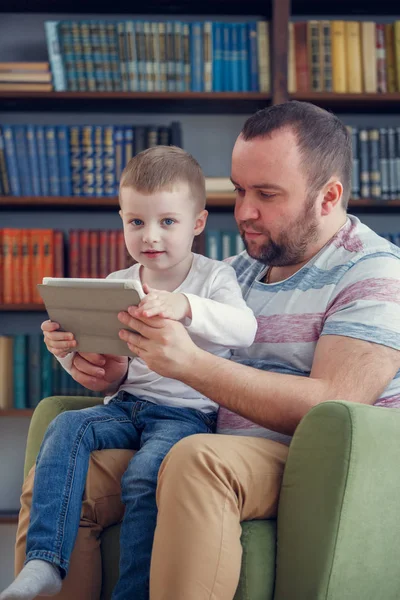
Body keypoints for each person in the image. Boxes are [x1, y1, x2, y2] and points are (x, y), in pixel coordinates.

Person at [13, 101, 400, 600]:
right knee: (68, 474)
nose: (243, 212)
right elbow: (162, 370)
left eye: (266, 194)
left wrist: (191, 364)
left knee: (195, 459)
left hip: (312, 458)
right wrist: (111, 370)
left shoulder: (375, 274)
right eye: (239, 190)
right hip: (195, 437)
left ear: (328, 197)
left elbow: (330, 404)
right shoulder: (233, 270)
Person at [1, 145, 258, 600]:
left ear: (197, 224)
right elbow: (104, 364)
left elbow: (245, 329)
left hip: (186, 415)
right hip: (124, 406)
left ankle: (132, 592)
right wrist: (66, 349)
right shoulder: (116, 283)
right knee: (66, 427)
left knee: (144, 476)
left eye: (168, 222)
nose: (150, 236)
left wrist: (185, 306)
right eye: (136, 222)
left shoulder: (215, 278)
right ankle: (45, 561)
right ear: (121, 219)